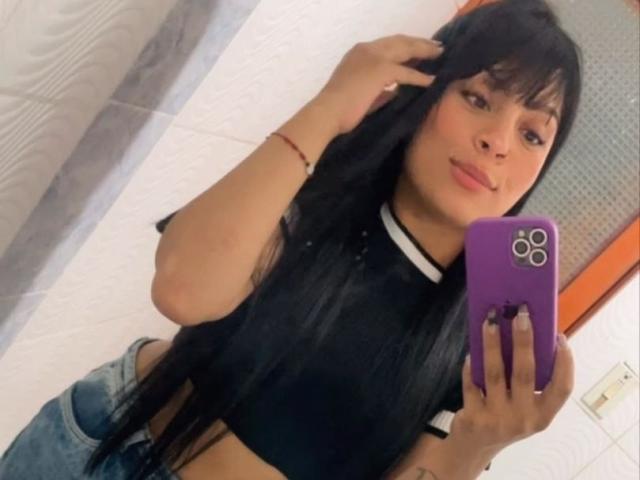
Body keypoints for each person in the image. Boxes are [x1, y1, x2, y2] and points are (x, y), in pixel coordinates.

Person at [0, 1, 581, 479]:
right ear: (425, 88)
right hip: (86, 450)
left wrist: (477, 446)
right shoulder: (321, 194)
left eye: (532, 134)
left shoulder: (482, 337)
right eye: (477, 99)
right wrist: (329, 107)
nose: (498, 141)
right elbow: (182, 289)